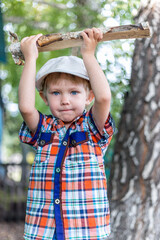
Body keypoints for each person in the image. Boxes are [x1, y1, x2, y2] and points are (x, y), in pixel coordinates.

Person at [19, 28, 115, 240]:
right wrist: (30, 60)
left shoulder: (92, 128)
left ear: (88, 96)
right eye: (56, 93)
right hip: (44, 229)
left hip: (85, 230)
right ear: (44, 98)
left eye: (74, 92)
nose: (65, 100)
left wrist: (88, 55)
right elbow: (26, 108)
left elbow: (104, 99)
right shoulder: (45, 129)